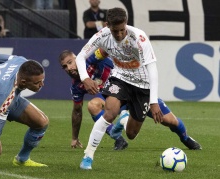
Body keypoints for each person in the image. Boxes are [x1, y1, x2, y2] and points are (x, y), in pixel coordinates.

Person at [75, 7, 201, 170]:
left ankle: (185, 138)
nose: (119, 35)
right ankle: (88, 157)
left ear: (126, 24)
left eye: (122, 30)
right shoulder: (102, 36)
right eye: (115, 31)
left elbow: (152, 70)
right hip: (120, 79)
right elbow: (80, 56)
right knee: (109, 112)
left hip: (143, 86)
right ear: (107, 25)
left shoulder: (139, 38)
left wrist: (153, 102)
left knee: (136, 132)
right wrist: (85, 77)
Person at [58, 49, 128, 150]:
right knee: (93, 106)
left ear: (77, 58)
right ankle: (118, 138)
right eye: (65, 66)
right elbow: (77, 111)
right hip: (114, 100)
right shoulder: (76, 86)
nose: (69, 68)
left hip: (130, 89)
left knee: (155, 113)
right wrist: (74, 137)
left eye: (70, 62)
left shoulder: (91, 59)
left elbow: (105, 49)